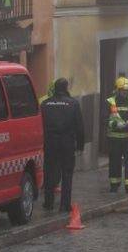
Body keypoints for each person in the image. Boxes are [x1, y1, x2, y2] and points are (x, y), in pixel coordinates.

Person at [41, 78, 84, 212]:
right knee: (67, 174)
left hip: (50, 143)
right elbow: (80, 127)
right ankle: (65, 205)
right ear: (66, 88)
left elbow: (40, 125)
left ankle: (48, 203)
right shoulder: (73, 104)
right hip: (67, 143)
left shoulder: (45, 104)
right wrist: (80, 146)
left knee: (49, 173)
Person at [106, 76, 128, 193]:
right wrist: (116, 125)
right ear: (117, 90)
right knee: (114, 163)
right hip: (114, 138)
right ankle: (114, 185)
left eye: (127, 90)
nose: (125, 92)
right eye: (123, 90)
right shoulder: (110, 102)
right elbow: (104, 119)